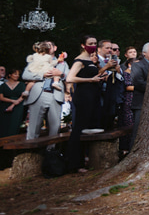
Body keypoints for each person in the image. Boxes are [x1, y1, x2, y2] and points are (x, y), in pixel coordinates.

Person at [64, 35, 107, 172]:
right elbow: (70, 78)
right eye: (90, 43)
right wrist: (90, 80)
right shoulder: (79, 60)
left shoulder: (91, 59)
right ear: (83, 45)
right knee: (78, 128)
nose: (93, 45)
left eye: (95, 43)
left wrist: (99, 74)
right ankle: (74, 164)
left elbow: (93, 75)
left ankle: (88, 159)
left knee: (91, 126)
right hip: (83, 96)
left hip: (93, 95)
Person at [22, 41, 68, 140]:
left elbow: (68, 77)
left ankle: (51, 151)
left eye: (49, 46)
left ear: (54, 48)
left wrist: (61, 74)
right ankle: (31, 152)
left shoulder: (62, 63)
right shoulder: (35, 59)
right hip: (39, 94)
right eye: (45, 46)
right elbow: (25, 75)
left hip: (55, 95)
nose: (47, 47)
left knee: (55, 127)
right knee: (34, 126)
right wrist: (42, 75)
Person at [130, 42, 149, 147]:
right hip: (140, 104)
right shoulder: (137, 65)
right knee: (138, 131)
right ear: (144, 53)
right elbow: (138, 82)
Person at [0, 68, 28, 136]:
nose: (17, 76)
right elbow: (1, 97)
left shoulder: (21, 85)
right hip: (5, 105)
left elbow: (23, 96)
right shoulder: (3, 85)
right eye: (15, 74)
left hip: (18, 106)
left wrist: (13, 104)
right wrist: (12, 101)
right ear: (10, 75)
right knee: (4, 124)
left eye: (18, 74)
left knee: (15, 124)